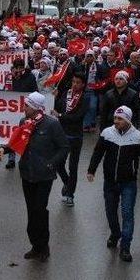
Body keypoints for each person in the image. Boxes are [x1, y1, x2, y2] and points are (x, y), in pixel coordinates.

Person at [0, 92, 69, 261]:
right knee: (31, 210)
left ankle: (43, 247)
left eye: (27, 106)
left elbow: (64, 147)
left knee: (40, 210)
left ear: (36, 108)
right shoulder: (25, 122)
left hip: (44, 176)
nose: (24, 108)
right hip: (27, 173)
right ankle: (35, 245)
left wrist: (51, 163)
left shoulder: (51, 124)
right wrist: (4, 149)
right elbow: (17, 142)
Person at [86, 106, 140, 263]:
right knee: (111, 212)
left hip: (128, 183)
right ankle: (115, 233)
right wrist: (91, 170)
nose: (116, 121)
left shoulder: (138, 137)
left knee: (127, 214)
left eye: (119, 119)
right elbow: (98, 152)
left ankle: (125, 247)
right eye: (115, 118)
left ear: (127, 120)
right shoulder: (107, 133)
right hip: (110, 181)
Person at [52, 73, 88, 207]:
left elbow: (78, 117)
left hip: (75, 136)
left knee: (73, 167)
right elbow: (57, 108)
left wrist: (60, 115)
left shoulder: (85, 98)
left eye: (78, 82)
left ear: (83, 84)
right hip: (62, 134)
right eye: (73, 82)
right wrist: (54, 98)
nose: (75, 85)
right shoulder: (66, 93)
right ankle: (68, 183)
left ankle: (69, 195)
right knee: (59, 163)